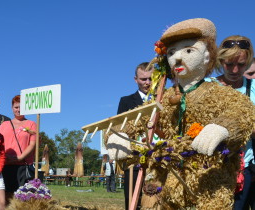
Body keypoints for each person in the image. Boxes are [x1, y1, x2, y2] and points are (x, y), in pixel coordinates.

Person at [107, 18, 255, 209]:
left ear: (207, 56)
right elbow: (136, 118)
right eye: (171, 52)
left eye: (188, 50)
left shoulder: (220, 92)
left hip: (210, 181)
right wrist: (118, 134)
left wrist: (223, 127)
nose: (177, 58)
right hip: (172, 181)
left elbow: (242, 113)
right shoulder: (163, 98)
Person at [213, 35, 255, 209]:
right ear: (220, 60)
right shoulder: (208, 86)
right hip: (213, 168)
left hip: (245, 167)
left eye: (241, 65)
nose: (235, 70)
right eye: (229, 64)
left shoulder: (252, 88)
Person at [117, 62, 152, 209]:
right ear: (135, 79)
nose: (147, 83)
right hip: (134, 160)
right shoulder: (126, 101)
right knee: (132, 200)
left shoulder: (164, 98)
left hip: (159, 159)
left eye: (150, 78)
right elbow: (120, 128)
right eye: (143, 79)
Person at [0, 95, 37, 204]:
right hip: (6, 165)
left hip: (23, 166)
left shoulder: (32, 124)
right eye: (16, 107)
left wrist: (20, 157)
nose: (18, 110)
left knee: (24, 196)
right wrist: (4, 157)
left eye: (21, 107)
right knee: (7, 196)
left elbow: (32, 144)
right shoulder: (4, 125)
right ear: (12, 108)